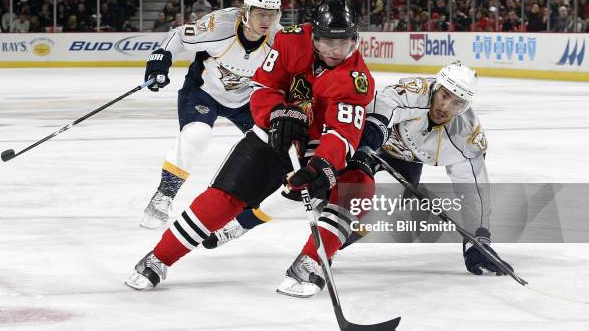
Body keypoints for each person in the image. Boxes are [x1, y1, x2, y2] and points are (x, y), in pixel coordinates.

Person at [126, 0, 375, 290]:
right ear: (313, 36)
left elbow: (343, 133)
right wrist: (276, 113)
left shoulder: (356, 79)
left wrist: (323, 165)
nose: (335, 51)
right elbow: (264, 86)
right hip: (274, 132)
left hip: (318, 146)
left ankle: (310, 261)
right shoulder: (290, 40)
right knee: (225, 197)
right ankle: (159, 258)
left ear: (355, 40)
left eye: (343, 43)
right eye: (327, 42)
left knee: (358, 186)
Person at [205, 62, 514, 297]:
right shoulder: (414, 92)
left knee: (366, 216)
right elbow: (380, 112)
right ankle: (240, 224)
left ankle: (319, 253)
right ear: (437, 88)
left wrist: (478, 238)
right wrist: (364, 148)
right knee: (308, 190)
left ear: (466, 106)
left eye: (457, 103)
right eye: (445, 96)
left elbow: (473, 190)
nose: (446, 107)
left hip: (405, 161)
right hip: (369, 142)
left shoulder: (466, 137)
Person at [139, 0, 282, 228]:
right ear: (246, 12)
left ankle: (292, 195)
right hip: (203, 92)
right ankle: (164, 195)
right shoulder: (219, 26)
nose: (267, 20)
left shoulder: (279, 39)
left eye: (273, 14)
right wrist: (159, 61)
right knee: (197, 135)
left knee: (276, 145)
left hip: (248, 100)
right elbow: (179, 36)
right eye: (260, 13)